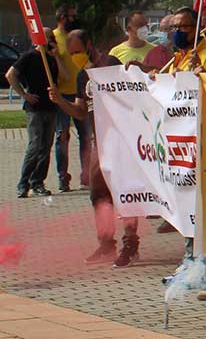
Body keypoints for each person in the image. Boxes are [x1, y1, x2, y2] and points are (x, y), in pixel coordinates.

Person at [49, 30, 140, 267]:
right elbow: (81, 110)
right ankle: (106, 243)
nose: (75, 56)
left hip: (122, 140)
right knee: (98, 194)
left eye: (77, 51)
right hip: (99, 142)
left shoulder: (111, 64)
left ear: (89, 44)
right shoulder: (82, 76)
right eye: (71, 54)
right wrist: (60, 101)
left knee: (125, 193)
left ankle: (130, 243)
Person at [8, 39, 59, 198]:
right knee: (35, 145)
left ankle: (38, 182)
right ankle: (23, 184)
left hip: (50, 107)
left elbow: (61, 80)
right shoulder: (29, 57)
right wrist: (24, 95)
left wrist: (57, 57)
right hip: (35, 109)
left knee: (46, 146)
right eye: (48, 38)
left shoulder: (52, 59)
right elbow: (11, 75)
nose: (51, 41)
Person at [50, 6, 81, 192]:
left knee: (86, 136)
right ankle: (63, 177)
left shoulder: (76, 36)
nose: (75, 19)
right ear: (63, 18)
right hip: (62, 94)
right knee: (62, 137)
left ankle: (87, 176)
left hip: (81, 92)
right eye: (72, 17)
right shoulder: (52, 38)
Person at [167, 8, 206, 72]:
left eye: (183, 26)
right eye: (175, 27)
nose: (177, 31)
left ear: (197, 28)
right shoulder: (177, 57)